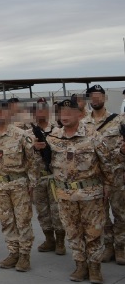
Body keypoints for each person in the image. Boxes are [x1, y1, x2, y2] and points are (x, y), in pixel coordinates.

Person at [33, 97, 113, 283]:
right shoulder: (53, 138)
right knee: (73, 232)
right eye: (61, 113)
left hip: (90, 194)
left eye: (69, 112)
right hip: (64, 195)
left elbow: (107, 163)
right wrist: (36, 149)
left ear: (80, 114)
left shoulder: (93, 135)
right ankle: (80, 265)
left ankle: (94, 268)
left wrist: (108, 186)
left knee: (93, 233)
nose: (65, 116)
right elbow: (44, 164)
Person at [0, 103, 37, 272]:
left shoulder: (21, 135)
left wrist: (32, 183)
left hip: (19, 184)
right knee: (6, 220)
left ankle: (24, 255)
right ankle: (13, 252)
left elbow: (32, 161)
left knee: (22, 220)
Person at [86, 84, 125, 264]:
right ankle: (108, 246)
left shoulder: (119, 120)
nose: (96, 99)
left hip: (117, 175)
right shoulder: (83, 123)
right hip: (94, 177)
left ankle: (121, 248)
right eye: (92, 96)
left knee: (120, 213)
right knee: (101, 215)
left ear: (105, 98)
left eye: (99, 95)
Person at [30, 97, 66, 256]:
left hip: (55, 177)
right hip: (38, 178)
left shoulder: (59, 131)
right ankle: (49, 239)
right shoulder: (28, 133)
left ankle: (60, 241)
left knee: (57, 210)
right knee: (42, 211)